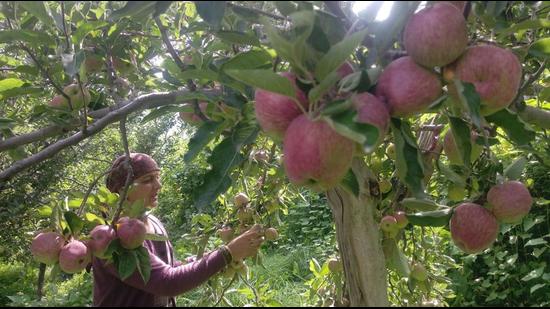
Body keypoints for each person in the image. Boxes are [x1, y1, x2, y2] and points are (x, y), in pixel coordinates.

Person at [93, 153, 264, 307]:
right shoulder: (113, 238)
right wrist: (227, 253)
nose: (158, 185)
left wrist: (203, 259)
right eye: (147, 180)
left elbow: (167, 268)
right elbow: (167, 282)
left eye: (158, 177)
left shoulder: (152, 220)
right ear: (122, 190)